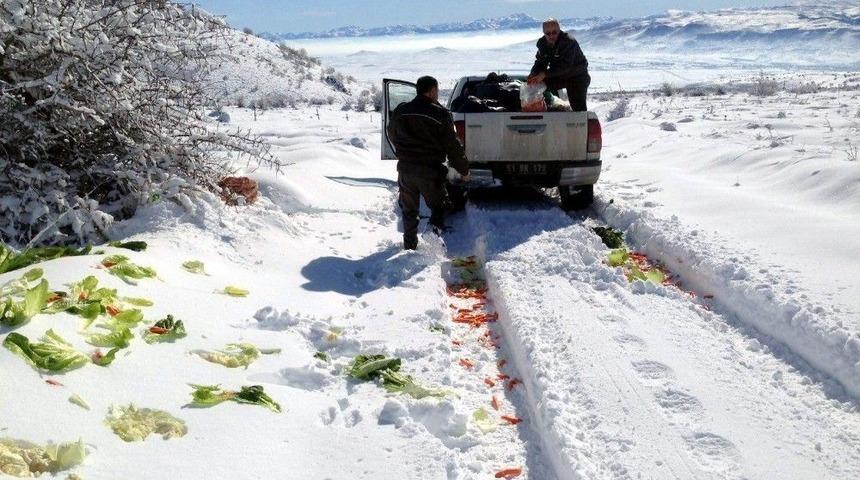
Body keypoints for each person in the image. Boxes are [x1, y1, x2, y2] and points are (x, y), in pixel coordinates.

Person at [388, 76, 470, 250]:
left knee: (409, 211)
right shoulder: (440, 114)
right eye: (437, 91)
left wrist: (403, 152)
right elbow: (453, 147)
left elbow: (392, 134)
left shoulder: (401, 111)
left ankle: (410, 246)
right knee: (439, 207)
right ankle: (432, 239)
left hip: (405, 170)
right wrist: (464, 170)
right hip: (430, 171)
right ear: (432, 91)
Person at [527, 18, 590, 112]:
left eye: (554, 32)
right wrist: (534, 74)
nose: (551, 35)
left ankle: (581, 120)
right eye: (548, 33)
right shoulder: (542, 43)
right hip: (558, 75)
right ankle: (544, 109)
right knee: (536, 85)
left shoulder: (568, 42)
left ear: (559, 30)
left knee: (578, 110)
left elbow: (566, 67)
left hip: (577, 77)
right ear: (544, 33)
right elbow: (540, 62)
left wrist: (544, 74)